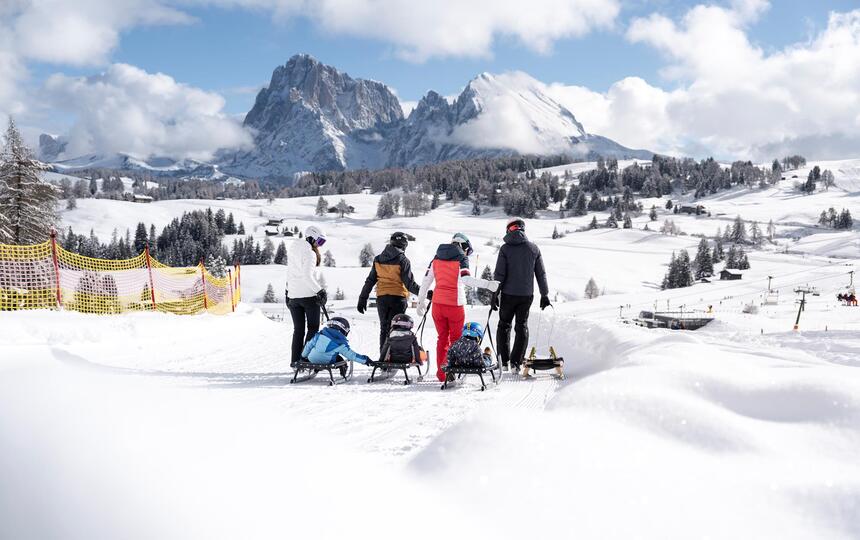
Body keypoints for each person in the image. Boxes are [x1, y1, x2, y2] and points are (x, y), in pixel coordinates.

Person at [418, 233, 500, 382]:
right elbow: (466, 279)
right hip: (455, 305)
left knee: (442, 338)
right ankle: (453, 372)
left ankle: (442, 374)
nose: (466, 253)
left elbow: (426, 281)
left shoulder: (436, 257)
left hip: (437, 305)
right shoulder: (461, 257)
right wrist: (488, 284)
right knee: (456, 340)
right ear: (463, 246)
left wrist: (420, 301)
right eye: (467, 250)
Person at [491, 218, 550, 371]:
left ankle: (503, 362)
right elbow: (541, 274)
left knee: (504, 326)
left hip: (508, 295)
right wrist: (544, 295)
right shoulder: (534, 249)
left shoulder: (505, 249)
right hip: (526, 296)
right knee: (521, 326)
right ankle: (516, 363)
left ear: (508, 230)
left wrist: (495, 294)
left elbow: (499, 274)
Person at [357, 232, 421, 350]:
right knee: (396, 329)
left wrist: (362, 298)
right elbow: (409, 283)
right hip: (398, 298)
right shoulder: (403, 260)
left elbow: (370, 280)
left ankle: (383, 357)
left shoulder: (378, 259)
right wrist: (424, 293)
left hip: (382, 299)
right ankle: (394, 356)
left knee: (384, 328)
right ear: (404, 245)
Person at [285, 225, 328, 368]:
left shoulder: (293, 250)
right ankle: (304, 361)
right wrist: (320, 291)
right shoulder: (310, 253)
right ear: (312, 237)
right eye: (320, 241)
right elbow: (307, 276)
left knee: (298, 330)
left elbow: (290, 273)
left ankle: (295, 361)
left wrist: (287, 292)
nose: (320, 245)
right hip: (308, 297)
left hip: (293, 296)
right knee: (313, 328)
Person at [301, 317, 371, 366]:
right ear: (342, 330)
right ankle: (343, 372)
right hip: (327, 362)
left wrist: (303, 356)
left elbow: (308, 346)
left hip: (312, 359)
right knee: (340, 359)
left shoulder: (319, 335)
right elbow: (352, 356)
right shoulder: (341, 344)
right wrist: (365, 360)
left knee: (317, 351)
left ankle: (316, 368)